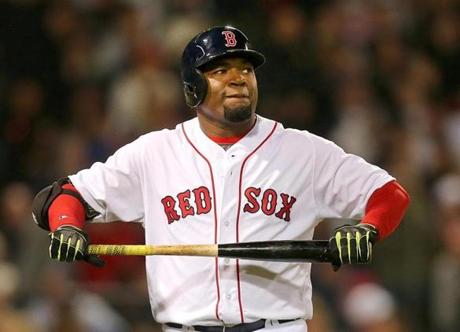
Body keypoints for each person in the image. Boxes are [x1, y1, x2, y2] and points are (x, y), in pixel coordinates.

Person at [31, 26, 410, 332]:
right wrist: (67, 227)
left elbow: (388, 193)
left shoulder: (303, 151)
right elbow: (63, 196)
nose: (237, 79)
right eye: (219, 71)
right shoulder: (154, 153)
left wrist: (367, 229)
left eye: (245, 70)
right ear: (191, 88)